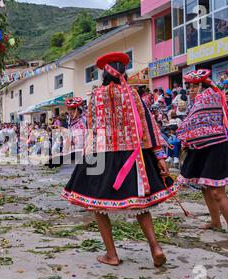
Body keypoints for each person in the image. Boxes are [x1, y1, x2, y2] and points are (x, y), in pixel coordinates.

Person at [62, 52, 179, 268]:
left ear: (104, 73)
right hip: (133, 155)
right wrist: (159, 155)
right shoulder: (133, 94)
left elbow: (93, 128)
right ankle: (155, 247)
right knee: (140, 206)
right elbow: (148, 126)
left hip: (102, 154)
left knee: (98, 205)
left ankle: (111, 254)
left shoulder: (96, 95)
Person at [177, 69, 228, 241]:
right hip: (201, 148)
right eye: (189, 87)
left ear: (203, 86)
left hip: (216, 147)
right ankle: (216, 222)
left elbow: (193, 122)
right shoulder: (201, 100)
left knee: (217, 191)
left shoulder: (210, 96)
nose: (191, 90)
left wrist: (185, 136)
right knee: (205, 188)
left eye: (194, 86)